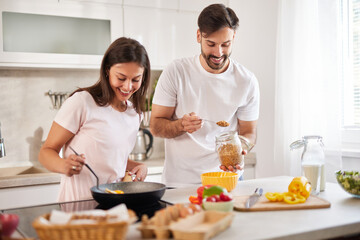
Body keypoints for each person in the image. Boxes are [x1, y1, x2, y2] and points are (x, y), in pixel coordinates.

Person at [149, 4, 260, 187]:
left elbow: (249, 131)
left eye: (226, 44)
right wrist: (181, 125)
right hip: (180, 182)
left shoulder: (246, 81)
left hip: (226, 180)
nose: (219, 53)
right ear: (199, 35)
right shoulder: (176, 72)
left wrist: (240, 148)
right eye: (211, 44)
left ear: (234, 37)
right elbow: (155, 126)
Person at [39, 37, 151, 202]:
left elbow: (112, 158)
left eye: (135, 80)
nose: (128, 87)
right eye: (121, 78)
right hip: (78, 206)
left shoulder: (135, 113)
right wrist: (64, 165)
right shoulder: (82, 102)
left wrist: (138, 166)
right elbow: (46, 152)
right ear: (107, 70)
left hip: (115, 206)